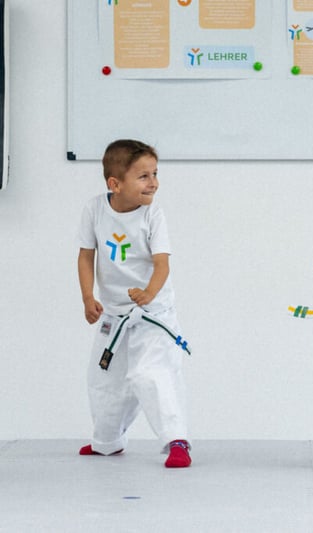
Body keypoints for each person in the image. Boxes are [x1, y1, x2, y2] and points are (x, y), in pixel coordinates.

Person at [77, 139, 192, 468]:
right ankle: (108, 441)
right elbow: (86, 257)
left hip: (153, 313)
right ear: (115, 184)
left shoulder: (153, 214)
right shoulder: (95, 209)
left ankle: (176, 440)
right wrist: (88, 297)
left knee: (150, 374)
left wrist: (149, 294)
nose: (153, 182)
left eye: (155, 173)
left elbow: (162, 263)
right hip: (114, 314)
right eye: (143, 176)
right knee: (104, 378)